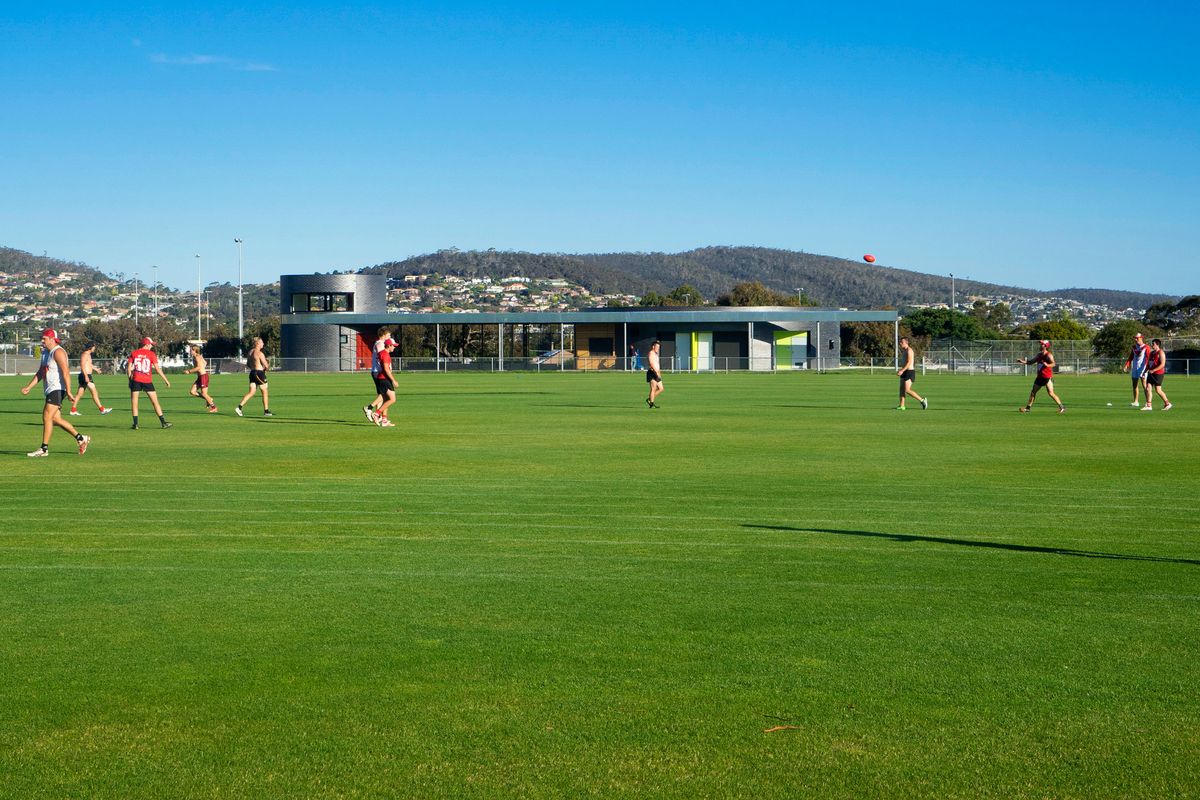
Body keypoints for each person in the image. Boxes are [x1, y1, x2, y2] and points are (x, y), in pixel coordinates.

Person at [21, 329, 91, 456]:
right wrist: (29, 387)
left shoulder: (58, 352)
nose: (42, 341)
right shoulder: (45, 353)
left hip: (57, 389)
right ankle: (81, 438)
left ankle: (44, 449)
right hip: (50, 390)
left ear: (52, 339)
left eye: (44, 338)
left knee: (46, 416)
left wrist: (68, 391)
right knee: (56, 419)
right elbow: (41, 372)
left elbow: (66, 372)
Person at [127, 336, 172, 429]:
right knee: (155, 402)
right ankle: (163, 422)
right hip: (147, 381)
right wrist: (166, 380)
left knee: (134, 403)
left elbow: (128, 369)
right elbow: (158, 369)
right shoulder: (151, 354)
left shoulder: (134, 353)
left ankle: (135, 424)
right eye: (151, 344)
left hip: (136, 380)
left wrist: (130, 380)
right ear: (147, 344)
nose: (152, 346)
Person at [1017, 340, 1065, 414]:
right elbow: (1031, 362)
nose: (1040, 345)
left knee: (1051, 393)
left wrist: (1047, 365)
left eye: (1042, 344)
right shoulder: (1039, 355)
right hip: (1039, 377)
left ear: (1045, 346)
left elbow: (1053, 364)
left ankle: (1062, 408)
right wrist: (1022, 361)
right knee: (1033, 392)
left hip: (1047, 377)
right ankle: (1027, 408)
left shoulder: (1049, 355)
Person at [68, 342, 113, 416]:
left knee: (79, 394)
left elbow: (89, 364)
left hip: (86, 375)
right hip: (85, 375)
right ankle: (102, 410)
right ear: (90, 347)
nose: (94, 348)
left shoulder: (88, 355)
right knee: (94, 392)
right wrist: (86, 376)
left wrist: (96, 369)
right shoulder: (84, 355)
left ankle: (73, 410)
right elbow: (82, 365)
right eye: (94, 347)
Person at [236, 337, 271, 417]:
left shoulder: (250, 352)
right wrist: (265, 367)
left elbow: (248, 364)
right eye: (262, 342)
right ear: (258, 343)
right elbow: (266, 366)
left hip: (252, 373)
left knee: (251, 392)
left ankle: (239, 407)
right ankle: (266, 411)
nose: (263, 344)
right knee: (264, 391)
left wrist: (255, 367)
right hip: (259, 373)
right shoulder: (260, 353)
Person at [363, 328, 393, 422]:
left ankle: (379, 416)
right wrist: (387, 369)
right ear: (384, 335)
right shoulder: (380, 343)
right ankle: (370, 408)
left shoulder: (380, 343)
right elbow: (382, 357)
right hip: (379, 372)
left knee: (382, 394)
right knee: (386, 395)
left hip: (379, 371)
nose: (389, 337)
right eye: (388, 335)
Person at [367, 337, 398, 427]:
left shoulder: (381, 353)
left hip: (381, 378)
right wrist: (393, 380)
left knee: (386, 399)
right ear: (389, 345)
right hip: (384, 378)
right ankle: (376, 414)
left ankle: (384, 420)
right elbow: (386, 369)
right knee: (392, 399)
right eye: (393, 346)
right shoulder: (385, 354)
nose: (394, 347)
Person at [895, 337, 928, 411]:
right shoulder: (904, 351)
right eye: (900, 342)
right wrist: (902, 370)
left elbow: (909, 362)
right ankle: (902, 406)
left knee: (907, 390)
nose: (900, 343)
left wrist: (902, 370)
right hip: (904, 371)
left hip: (909, 372)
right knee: (902, 389)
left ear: (906, 343)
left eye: (902, 342)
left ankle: (922, 400)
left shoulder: (909, 350)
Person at [184, 344, 218, 413]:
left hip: (203, 377)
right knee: (192, 392)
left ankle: (214, 407)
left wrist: (189, 371)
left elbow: (198, 367)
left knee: (204, 394)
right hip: (200, 377)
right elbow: (205, 363)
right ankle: (209, 399)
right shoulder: (196, 357)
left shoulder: (197, 357)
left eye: (191, 350)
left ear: (195, 350)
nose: (190, 351)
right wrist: (202, 367)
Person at [1143, 339, 1173, 411]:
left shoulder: (1161, 353)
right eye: (1152, 344)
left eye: (1153, 344)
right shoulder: (1151, 353)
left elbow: (1162, 364)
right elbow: (1149, 363)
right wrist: (1145, 371)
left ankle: (1167, 403)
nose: (1152, 345)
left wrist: (1153, 370)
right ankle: (1149, 405)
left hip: (1158, 374)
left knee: (1158, 390)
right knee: (1148, 388)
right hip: (1150, 373)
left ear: (1157, 345)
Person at [1122, 332, 1150, 408]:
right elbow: (1131, 357)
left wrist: (1147, 369)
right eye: (1135, 338)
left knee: (1145, 386)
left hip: (1143, 369)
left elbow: (1148, 358)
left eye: (1137, 338)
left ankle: (1148, 402)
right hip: (1135, 368)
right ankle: (1136, 401)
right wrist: (1126, 365)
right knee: (1134, 385)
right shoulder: (1134, 347)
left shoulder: (1146, 347)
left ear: (1141, 338)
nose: (1135, 339)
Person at [645, 340, 664, 408]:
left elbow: (657, 364)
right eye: (657, 347)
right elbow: (651, 363)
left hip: (657, 373)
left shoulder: (656, 354)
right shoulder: (651, 353)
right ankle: (651, 403)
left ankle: (649, 399)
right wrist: (656, 372)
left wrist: (659, 372)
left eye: (659, 347)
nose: (658, 348)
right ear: (653, 347)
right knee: (653, 388)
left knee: (661, 388)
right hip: (652, 372)